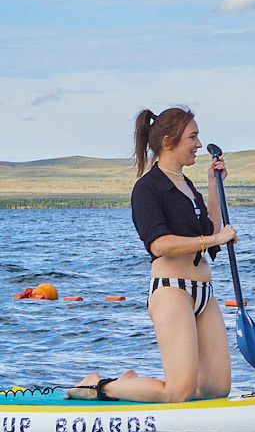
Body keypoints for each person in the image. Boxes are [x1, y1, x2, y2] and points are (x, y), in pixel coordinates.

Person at [68, 107, 237, 403]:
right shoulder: (147, 188)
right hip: (171, 290)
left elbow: (210, 234)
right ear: (169, 141)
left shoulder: (187, 185)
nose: (199, 144)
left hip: (203, 291)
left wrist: (213, 184)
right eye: (193, 137)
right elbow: (159, 245)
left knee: (216, 389)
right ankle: (98, 386)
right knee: (178, 391)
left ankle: (131, 384)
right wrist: (214, 237)